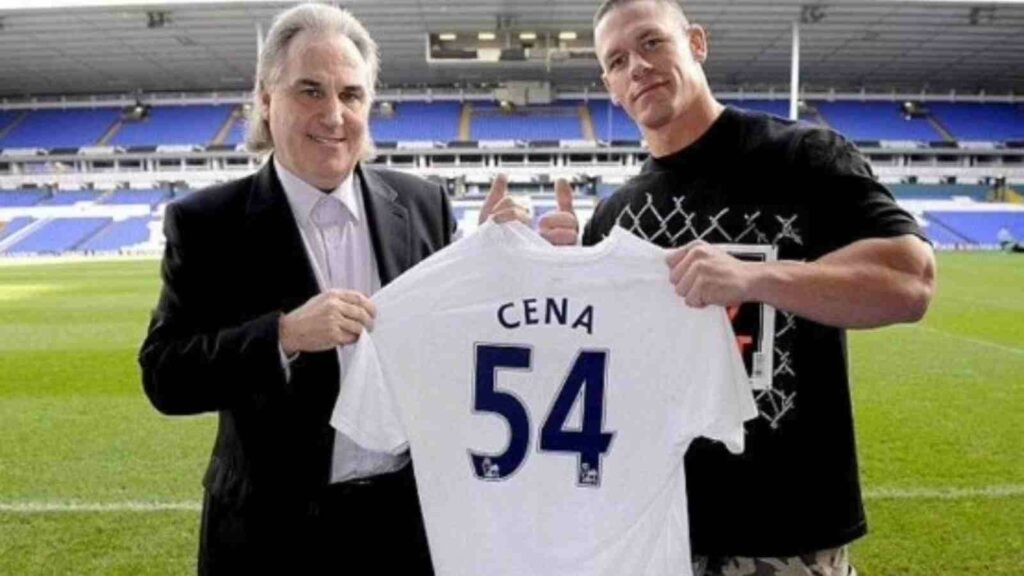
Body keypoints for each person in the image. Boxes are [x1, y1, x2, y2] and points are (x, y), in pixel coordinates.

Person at [532, 1, 937, 574]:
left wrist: (756, 276)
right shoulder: (613, 217)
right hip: (658, 533)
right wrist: (560, 274)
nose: (638, 67)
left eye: (652, 43)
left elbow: (911, 280)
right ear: (611, 87)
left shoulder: (801, 156)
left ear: (695, 43)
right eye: (618, 61)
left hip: (787, 532)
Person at [139, 4, 458, 574]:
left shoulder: (423, 205)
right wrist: (281, 336)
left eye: (352, 95)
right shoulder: (207, 223)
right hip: (269, 535)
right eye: (310, 91)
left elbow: (462, 339)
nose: (334, 115)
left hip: (404, 529)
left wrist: (527, 258)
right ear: (266, 98)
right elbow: (165, 375)